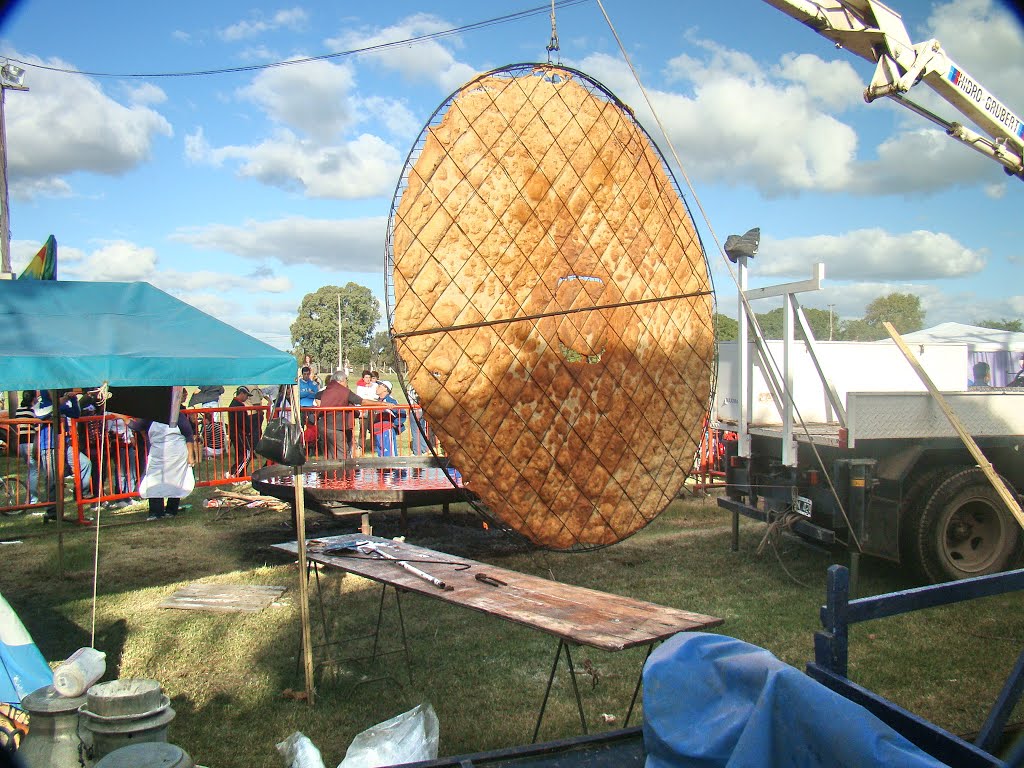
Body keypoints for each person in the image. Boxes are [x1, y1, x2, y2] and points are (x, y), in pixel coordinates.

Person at [35, 391, 93, 520]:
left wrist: (73, 400)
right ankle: (52, 511)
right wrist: (65, 399)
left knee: (84, 464)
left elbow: (75, 414)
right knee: (53, 480)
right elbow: (43, 415)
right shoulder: (41, 406)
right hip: (49, 446)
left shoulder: (61, 404)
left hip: (64, 445)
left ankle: (80, 495)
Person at [136, 407, 198, 520]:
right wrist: (122, 418)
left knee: (175, 481)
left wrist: (190, 456)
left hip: (176, 456)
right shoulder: (150, 417)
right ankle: (155, 512)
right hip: (157, 455)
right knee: (153, 482)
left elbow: (188, 435)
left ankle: (171, 510)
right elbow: (137, 426)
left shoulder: (178, 416)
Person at [316, 369, 364, 459]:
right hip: (335, 426)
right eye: (346, 380)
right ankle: (345, 472)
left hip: (324, 425)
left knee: (330, 454)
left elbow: (318, 396)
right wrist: (381, 404)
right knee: (342, 454)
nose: (347, 383)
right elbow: (361, 401)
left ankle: (331, 472)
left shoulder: (328, 389)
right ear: (341, 381)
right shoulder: (342, 391)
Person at [227, 386, 259, 477]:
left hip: (236, 433)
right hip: (240, 433)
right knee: (247, 455)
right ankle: (235, 474)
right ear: (241, 393)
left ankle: (239, 475)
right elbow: (242, 421)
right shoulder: (238, 405)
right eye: (246, 395)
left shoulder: (233, 403)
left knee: (240, 455)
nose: (247, 398)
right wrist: (248, 430)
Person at [15, 392, 41, 504]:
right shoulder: (33, 411)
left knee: (31, 470)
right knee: (34, 471)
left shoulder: (19, 410)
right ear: (33, 398)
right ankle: (33, 499)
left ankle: (30, 497)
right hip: (31, 442)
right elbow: (37, 427)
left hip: (21, 443)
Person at [371, 380, 400, 457]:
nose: (377, 387)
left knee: (390, 455)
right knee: (381, 455)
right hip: (378, 431)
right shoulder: (378, 401)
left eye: (379, 386)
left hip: (386, 430)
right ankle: (383, 469)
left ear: (385, 389)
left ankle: (392, 469)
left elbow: (401, 412)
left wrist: (395, 424)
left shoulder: (390, 400)